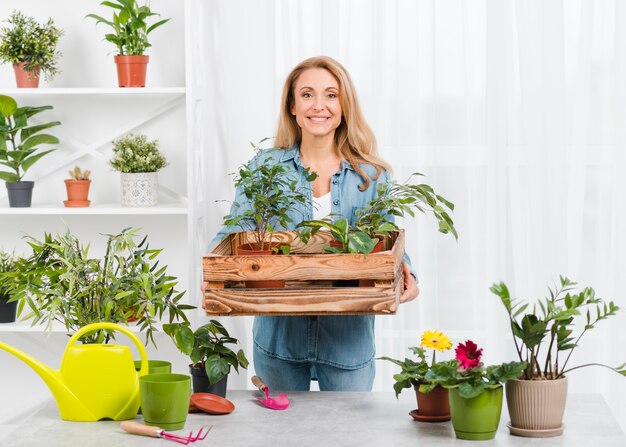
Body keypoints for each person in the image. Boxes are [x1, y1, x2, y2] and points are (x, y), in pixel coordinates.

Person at [205, 56, 419, 392]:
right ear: (292, 105)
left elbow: (386, 235)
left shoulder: (372, 175)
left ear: (344, 105)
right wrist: (213, 273)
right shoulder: (265, 167)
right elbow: (236, 229)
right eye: (307, 94)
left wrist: (407, 272)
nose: (319, 105)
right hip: (279, 339)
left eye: (331, 95)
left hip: (348, 340)